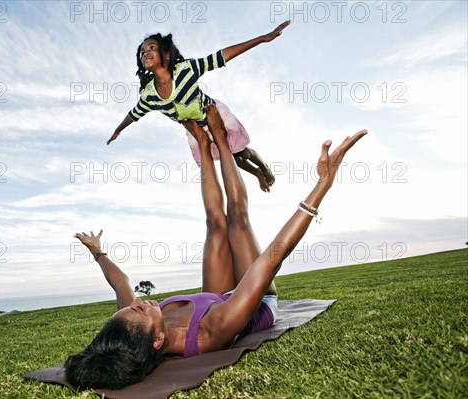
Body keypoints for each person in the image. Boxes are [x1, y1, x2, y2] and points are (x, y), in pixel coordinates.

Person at [67, 104, 367, 389]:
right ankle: (220, 140)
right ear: (157, 341)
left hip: (218, 295)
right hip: (257, 300)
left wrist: (97, 251)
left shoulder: (133, 327)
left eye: (129, 307)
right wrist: (322, 185)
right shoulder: (211, 332)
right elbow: (271, 260)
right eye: (138, 310)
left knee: (215, 223)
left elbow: (120, 282)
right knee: (236, 216)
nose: (137, 303)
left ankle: (201, 138)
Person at [106, 21, 291, 192]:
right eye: (142, 51)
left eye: (152, 47)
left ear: (167, 55)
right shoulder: (149, 95)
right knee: (231, 157)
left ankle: (263, 165)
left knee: (241, 151)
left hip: (214, 115)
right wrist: (118, 130)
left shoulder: (185, 70)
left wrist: (262, 38)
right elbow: (134, 114)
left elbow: (221, 56)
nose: (145, 52)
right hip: (196, 129)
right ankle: (257, 173)